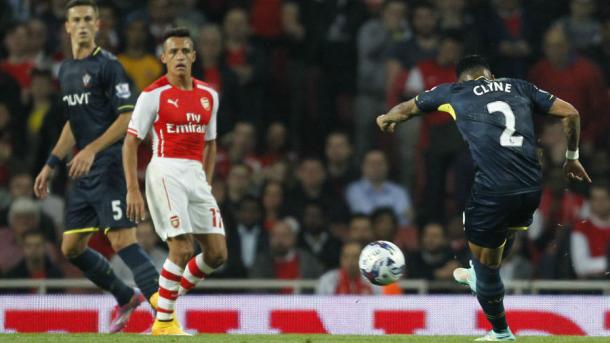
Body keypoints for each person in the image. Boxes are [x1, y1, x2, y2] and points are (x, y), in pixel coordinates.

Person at [376, 55, 591, 341]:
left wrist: (387, 117)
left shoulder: (453, 92)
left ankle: (500, 330)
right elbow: (571, 113)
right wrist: (572, 158)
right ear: (489, 75)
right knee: (506, 231)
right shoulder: (519, 87)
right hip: (530, 188)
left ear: (461, 79)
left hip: (493, 190)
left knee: (483, 255)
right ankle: (479, 273)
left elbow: (408, 108)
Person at [32, 0, 160, 333]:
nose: (84, 24)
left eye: (89, 18)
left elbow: (127, 116)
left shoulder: (109, 66)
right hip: (83, 169)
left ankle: (168, 320)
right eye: (77, 19)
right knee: (72, 247)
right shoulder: (66, 70)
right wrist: (51, 163)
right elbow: (74, 122)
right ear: (68, 27)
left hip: (109, 164)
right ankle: (125, 295)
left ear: (98, 25)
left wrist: (91, 149)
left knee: (122, 240)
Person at [123, 27, 227, 336]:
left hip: (195, 174)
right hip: (166, 170)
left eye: (185, 51)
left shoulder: (209, 95)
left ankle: (164, 297)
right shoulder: (152, 95)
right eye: (173, 52)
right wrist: (133, 189)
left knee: (217, 254)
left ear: (194, 56)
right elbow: (130, 143)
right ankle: (163, 323)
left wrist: (205, 183)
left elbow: (211, 143)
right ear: (163, 58)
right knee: (181, 248)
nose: (179, 57)